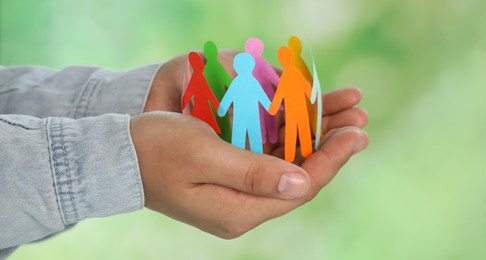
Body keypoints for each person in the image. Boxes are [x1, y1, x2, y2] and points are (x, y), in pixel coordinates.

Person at [0, 49, 369, 258]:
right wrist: (128, 155)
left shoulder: (255, 83)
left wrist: (140, 104)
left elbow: (258, 96)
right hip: (239, 120)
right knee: (248, 131)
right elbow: (238, 97)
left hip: (243, 120)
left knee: (255, 131)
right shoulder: (244, 84)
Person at [218, 53, 271, 154]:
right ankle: (245, 154)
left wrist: (222, 109)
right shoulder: (250, 82)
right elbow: (262, 96)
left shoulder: (238, 82)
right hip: (248, 114)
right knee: (247, 134)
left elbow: (229, 97)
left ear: (236, 67)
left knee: (245, 134)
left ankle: (249, 153)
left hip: (243, 115)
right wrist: (269, 107)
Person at [269, 47, 314, 162]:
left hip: (294, 108)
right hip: (296, 108)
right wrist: (311, 98)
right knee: (298, 129)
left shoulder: (287, 76)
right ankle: (297, 153)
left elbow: (280, 93)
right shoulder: (293, 74)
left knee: (293, 131)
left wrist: (274, 107)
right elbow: (307, 89)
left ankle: (299, 153)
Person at [245, 37, 281, 144]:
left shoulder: (251, 64)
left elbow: (273, 77)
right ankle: (266, 138)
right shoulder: (251, 64)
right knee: (263, 115)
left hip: (264, 92)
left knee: (265, 115)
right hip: (260, 94)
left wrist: (281, 86)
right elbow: (274, 78)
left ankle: (269, 137)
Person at [182, 52, 222, 134]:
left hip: (204, 107)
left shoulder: (200, 77)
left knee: (208, 129)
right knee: (201, 129)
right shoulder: (196, 78)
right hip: (200, 107)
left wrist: (218, 107)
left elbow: (209, 94)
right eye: (199, 64)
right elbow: (189, 94)